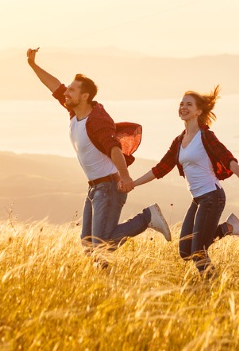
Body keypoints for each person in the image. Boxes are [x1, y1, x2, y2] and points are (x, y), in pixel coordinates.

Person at [26, 48, 171, 253]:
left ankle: (147, 218)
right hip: (95, 188)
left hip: (109, 188)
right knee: (88, 244)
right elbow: (55, 86)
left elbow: (114, 149)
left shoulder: (97, 120)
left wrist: (125, 176)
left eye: (72, 90)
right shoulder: (74, 111)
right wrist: (33, 65)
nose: (66, 93)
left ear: (85, 96)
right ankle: (105, 279)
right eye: (67, 89)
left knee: (100, 246)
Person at [132, 86, 239, 277]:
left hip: (212, 197)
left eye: (189, 104)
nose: (183, 107)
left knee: (198, 252)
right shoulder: (179, 141)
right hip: (198, 199)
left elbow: (228, 160)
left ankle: (212, 289)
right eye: (181, 103)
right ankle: (228, 228)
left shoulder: (206, 136)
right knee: (185, 251)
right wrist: (133, 183)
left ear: (199, 111)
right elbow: (160, 169)